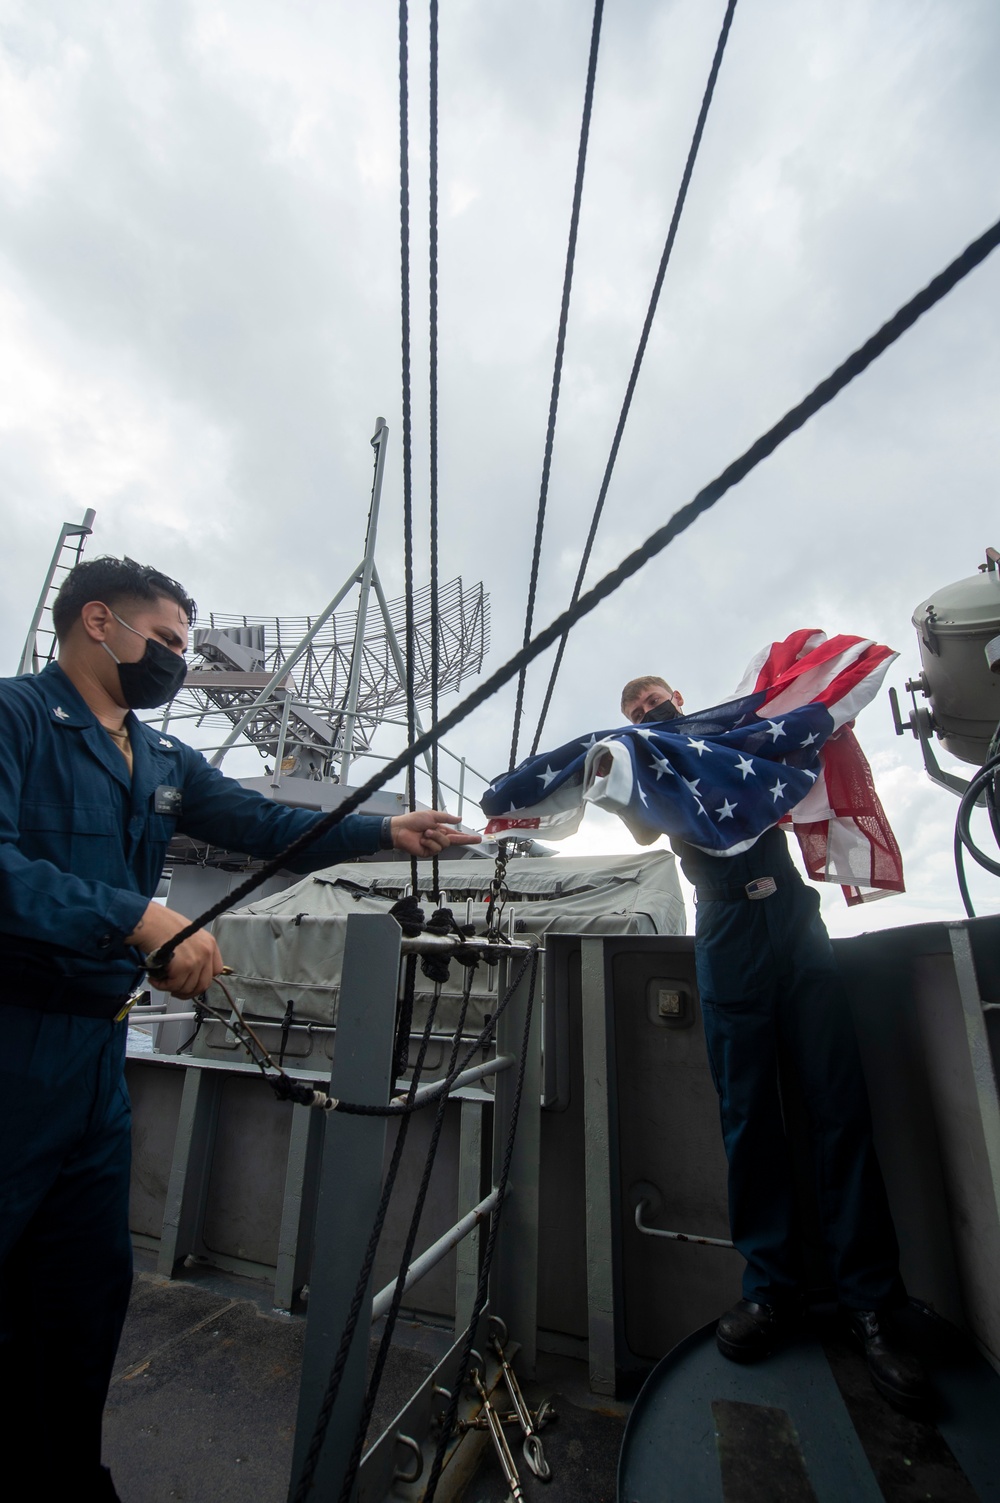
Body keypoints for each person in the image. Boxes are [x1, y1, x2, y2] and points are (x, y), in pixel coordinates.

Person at [0, 557, 480, 1499]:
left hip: (94, 1056)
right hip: (13, 1037)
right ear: (99, 621)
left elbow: (267, 821)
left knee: (83, 1295)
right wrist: (136, 917)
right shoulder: (17, 716)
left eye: (186, 644)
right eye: (170, 640)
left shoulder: (164, 759)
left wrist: (385, 833)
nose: (180, 659)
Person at [619, 674, 929, 1410]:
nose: (647, 710)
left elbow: (796, 751)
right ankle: (770, 1293)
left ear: (679, 694)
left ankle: (872, 1305)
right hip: (725, 934)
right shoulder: (652, 760)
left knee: (839, 1107)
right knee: (749, 1116)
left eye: (654, 699)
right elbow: (636, 822)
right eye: (633, 710)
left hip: (794, 922)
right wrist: (627, 755)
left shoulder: (733, 735)